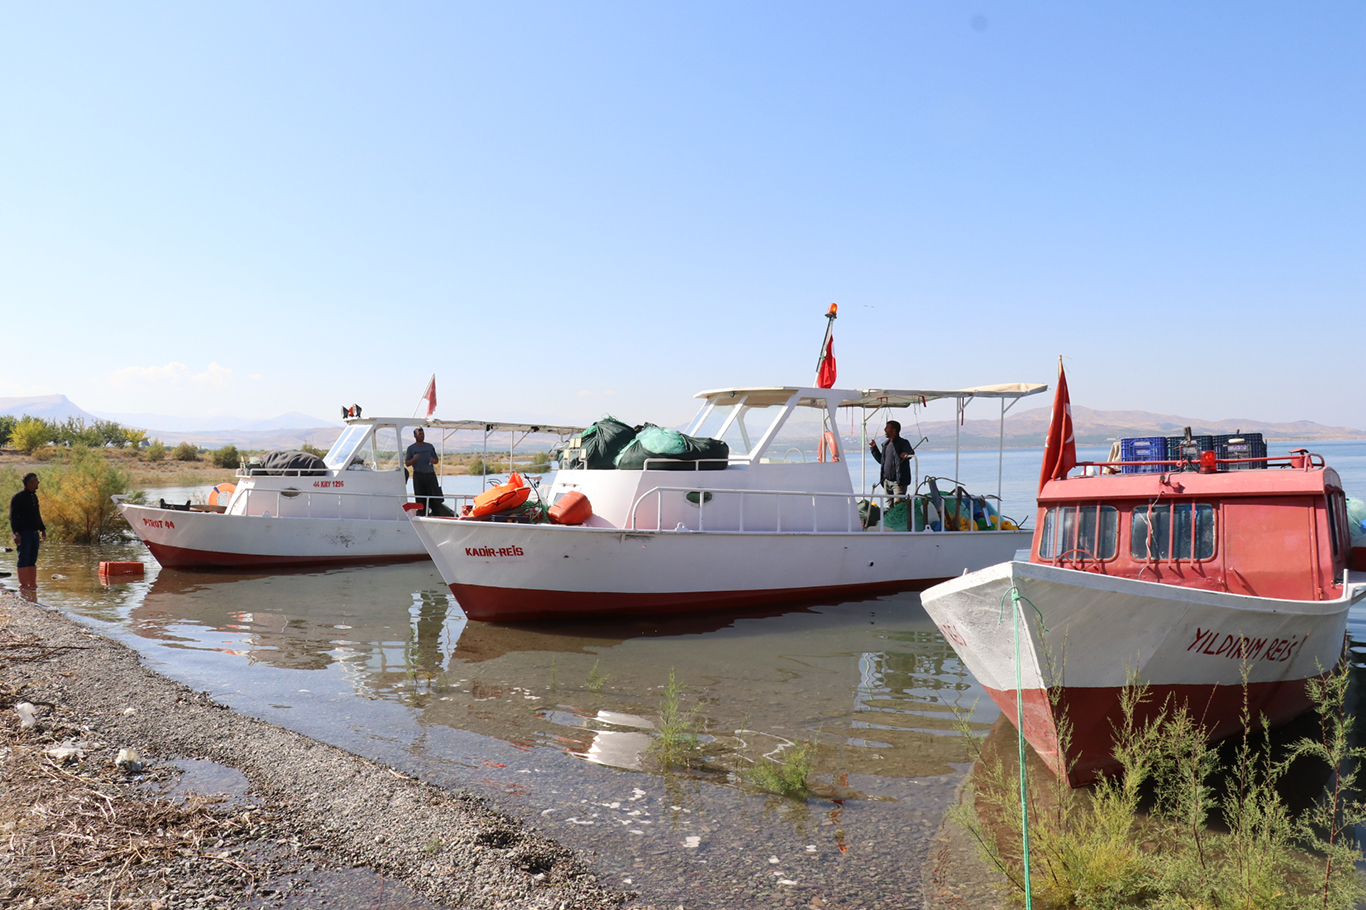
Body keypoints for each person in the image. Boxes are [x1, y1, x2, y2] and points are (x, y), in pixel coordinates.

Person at [10, 472, 46, 588]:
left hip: (34, 533)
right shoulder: (18, 497)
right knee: (23, 558)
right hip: (23, 534)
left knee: (32, 559)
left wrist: (42, 529)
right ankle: (24, 585)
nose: (38, 483)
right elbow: (13, 517)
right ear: (29, 483)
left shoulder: (34, 496)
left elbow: (37, 514)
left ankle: (32, 584)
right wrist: (16, 533)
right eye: (36, 481)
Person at [404, 428, 450, 517]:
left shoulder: (429, 446)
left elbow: (436, 460)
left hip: (430, 475)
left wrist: (434, 460)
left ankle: (436, 516)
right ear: (415, 436)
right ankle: (422, 516)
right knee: (420, 498)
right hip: (418, 475)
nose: (421, 435)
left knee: (434, 498)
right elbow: (407, 463)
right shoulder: (411, 448)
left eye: (423, 433)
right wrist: (414, 459)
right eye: (419, 433)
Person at [868, 420, 915, 508]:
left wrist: (906, 455)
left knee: (898, 507)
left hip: (898, 482)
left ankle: (901, 522)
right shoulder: (886, 444)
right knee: (890, 507)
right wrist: (873, 448)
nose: (885, 430)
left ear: (894, 430)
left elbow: (910, 453)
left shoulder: (903, 443)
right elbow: (881, 461)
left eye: (887, 427)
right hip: (886, 482)